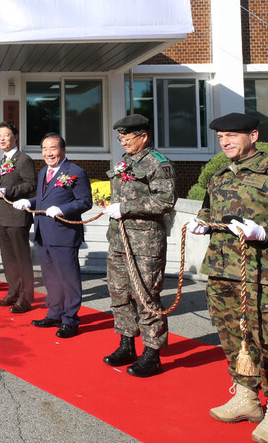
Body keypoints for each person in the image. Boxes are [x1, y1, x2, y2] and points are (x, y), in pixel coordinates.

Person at [187, 112, 268, 443]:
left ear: (253, 135)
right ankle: (247, 396)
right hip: (221, 273)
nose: (225, 142)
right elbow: (208, 209)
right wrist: (201, 221)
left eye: (232, 135)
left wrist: (265, 231)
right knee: (232, 337)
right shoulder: (218, 176)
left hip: (263, 277)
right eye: (220, 137)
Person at [100, 114, 176, 378]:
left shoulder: (158, 164)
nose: (123, 142)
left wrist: (126, 208)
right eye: (120, 138)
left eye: (127, 138)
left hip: (145, 243)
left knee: (146, 298)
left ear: (143, 136)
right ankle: (126, 344)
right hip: (120, 240)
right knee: (119, 294)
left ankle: (152, 354)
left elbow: (165, 201)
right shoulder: (124, 162)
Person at [13, 133, 92, 339]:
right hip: (44, 233)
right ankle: (55, 312)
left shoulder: (75, 172)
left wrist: (62, 209)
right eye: (45, 149)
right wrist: (29, 202)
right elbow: (42, 197)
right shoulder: (43, 172)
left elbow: (85, 202)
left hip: (64, 235)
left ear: (63, 150)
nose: (48, 153)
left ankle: (70, 320)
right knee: (51, 278)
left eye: (53, 149)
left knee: (68, 279)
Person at [0, 121, 37, 313]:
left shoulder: (23, 159)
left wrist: (9, 191)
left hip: (17, 217)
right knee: (8, 259)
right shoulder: (2, 160)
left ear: (15, 137)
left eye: (6, 135)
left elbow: (31, 185)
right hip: (1, 216)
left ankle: (26, 297)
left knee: (21, 258)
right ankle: (13, 291)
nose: (2, 138)